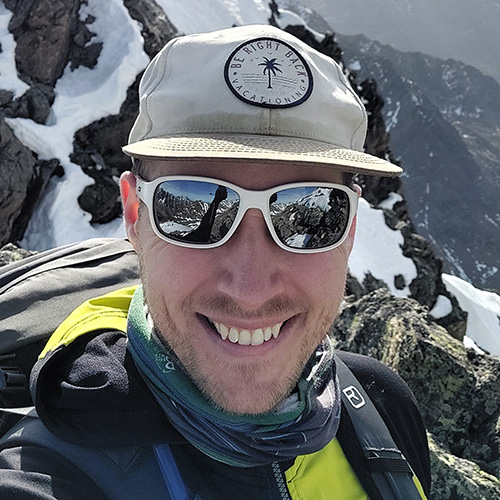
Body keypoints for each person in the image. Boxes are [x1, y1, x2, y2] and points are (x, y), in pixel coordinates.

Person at [0, 25, 431, 499]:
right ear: (134, 214)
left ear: (349, 230)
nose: (250, 288)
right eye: (195, 208)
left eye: (310, 215)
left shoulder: (379, 408)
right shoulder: (45, 474)